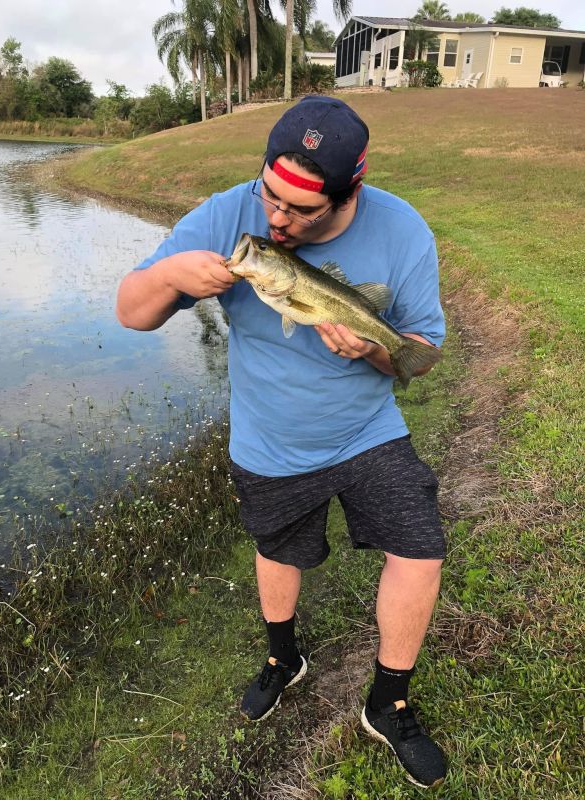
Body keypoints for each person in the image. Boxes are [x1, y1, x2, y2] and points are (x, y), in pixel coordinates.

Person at [116, 95, 447, 789]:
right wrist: (175, 276)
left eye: (301, 213)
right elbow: (131, 311)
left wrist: (376, 352)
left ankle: (389, 702)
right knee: (276, 550)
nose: (275, 220)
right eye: (270, 198)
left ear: (350, 189)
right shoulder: (228, 214)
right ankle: (282, 659)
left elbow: (421, 347)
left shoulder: (403, 228)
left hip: (368, 429)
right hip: (269, 435)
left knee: (419, 549)